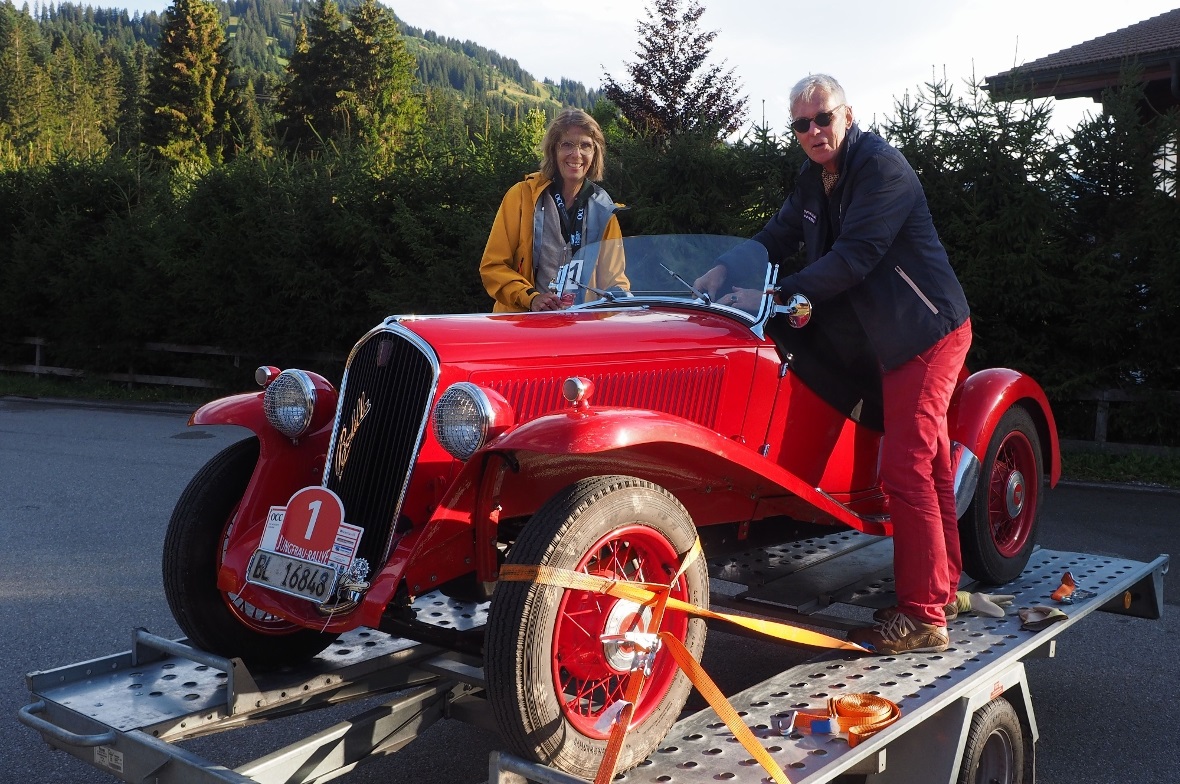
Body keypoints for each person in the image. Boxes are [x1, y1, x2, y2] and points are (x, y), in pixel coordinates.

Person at [695, 74, 972, 655]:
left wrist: (772, 298)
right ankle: (944, 589)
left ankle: (924, 619)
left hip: (922, 332)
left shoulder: (882, 170)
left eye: (824, 118)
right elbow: (777, 233)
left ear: (849, 115)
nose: (815, 131)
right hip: (879, 338)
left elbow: (856, 257)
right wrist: (725, 267)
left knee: (907, 470)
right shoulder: (814, 179)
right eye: (802, 124)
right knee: (932, 466)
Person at [480, 109, 627, 313]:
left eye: (585, 145)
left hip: (580, 330)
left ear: (595, 154)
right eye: (567, 144)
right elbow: (493, 267)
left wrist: (624, 299)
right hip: (524, 327)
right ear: (553, 151)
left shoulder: (604, 210)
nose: (576, 154)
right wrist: (531, 298)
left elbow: (614, 279)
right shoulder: (521, 197)